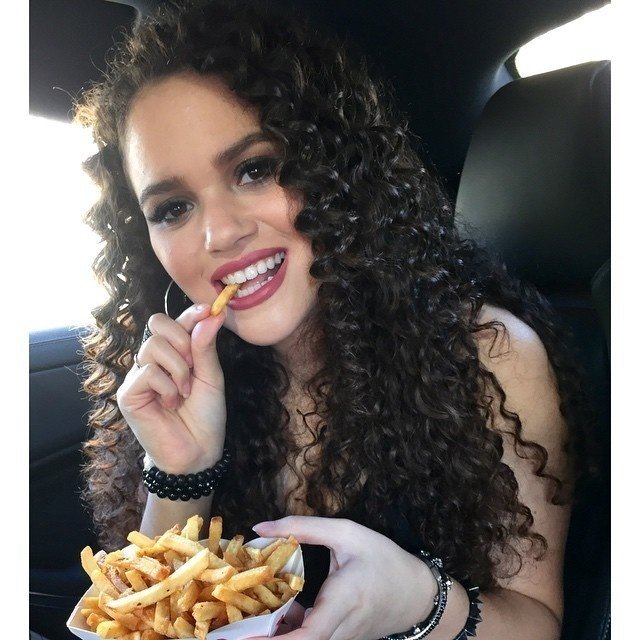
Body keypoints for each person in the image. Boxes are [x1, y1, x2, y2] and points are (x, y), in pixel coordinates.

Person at [76, 1, 592, 638]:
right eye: (173, 208)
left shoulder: (487, 353)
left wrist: (423, 602)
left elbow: (537, 621)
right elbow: (146, 625)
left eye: (255, 170)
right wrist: (181, 473)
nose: (219, 234)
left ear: (335, 171)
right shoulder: (187, 382)